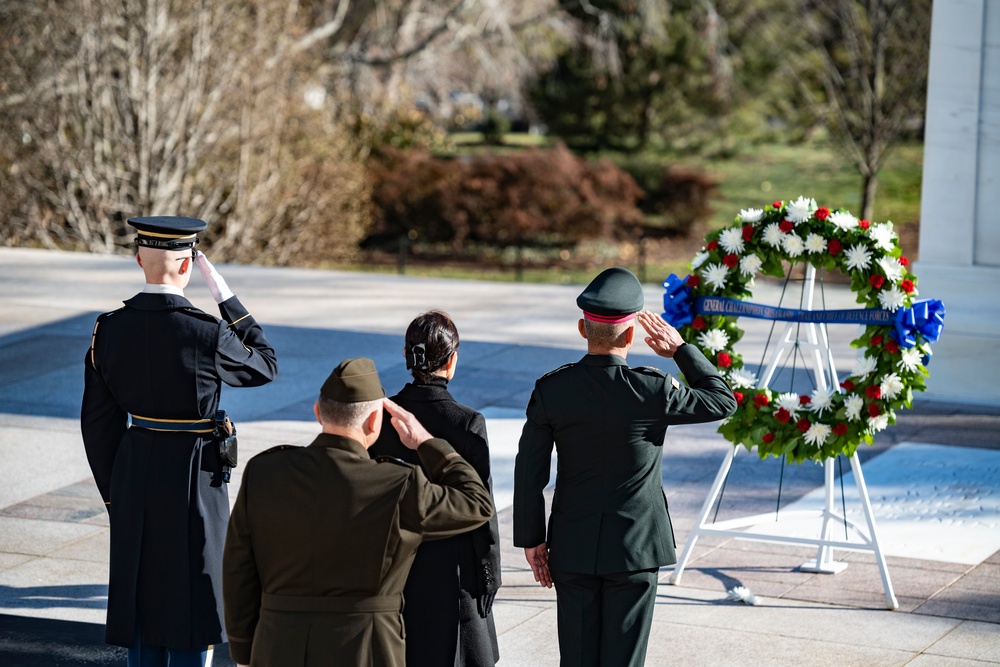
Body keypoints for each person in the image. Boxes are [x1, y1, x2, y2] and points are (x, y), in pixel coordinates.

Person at [512, 266, 737, 667]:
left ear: (583, 329)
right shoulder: (653, 390)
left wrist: (533, 540)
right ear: (632, 335)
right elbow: (722, 400)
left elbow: (529, 472)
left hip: (574, 548)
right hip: (635, 551)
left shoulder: (553, 390)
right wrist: (681, 349)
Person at [81, 216, 278, 666]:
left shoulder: (106, 329)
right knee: (195, 598)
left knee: (142, 598)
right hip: (196, 475)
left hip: (134, 470)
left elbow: (97, 423)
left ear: (138, 260)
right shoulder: (207, 331)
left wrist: (116, 494)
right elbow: (265, 365)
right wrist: (227, 298)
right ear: (188, 266)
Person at [222, 357, 494, 667]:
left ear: (317, 411)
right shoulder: (397, 484)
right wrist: (425, 442)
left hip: (279, 646)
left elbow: (238, 569)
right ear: (374, 422)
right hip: (368, 649)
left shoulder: (265, 473)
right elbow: (476, 503)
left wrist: (243, 650)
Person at [370, 310, 501, 667]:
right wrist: (489, 576)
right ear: (452, 359)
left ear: (406, 354)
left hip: (394, 569)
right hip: (451, 572)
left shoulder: (382, 418)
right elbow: (481, 508)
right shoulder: (467, 423)